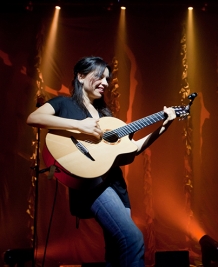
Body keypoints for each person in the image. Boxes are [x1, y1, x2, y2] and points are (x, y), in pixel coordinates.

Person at [27, 56, 176, 267]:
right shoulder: (63, 104)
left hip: (116, 185)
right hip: (92, 185)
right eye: (99, 76)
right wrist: (80, 127)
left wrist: (163, 127)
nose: (105, 83)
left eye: (107, 78)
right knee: (133, 239)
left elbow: (133, 149)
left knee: (116, 250)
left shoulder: (107, 117)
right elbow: (34, 118)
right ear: (80, 76)